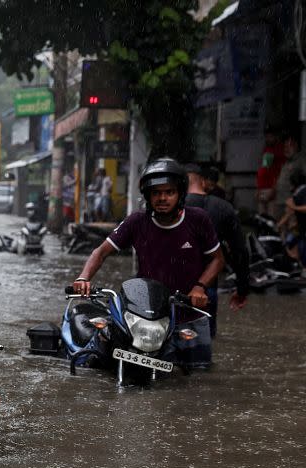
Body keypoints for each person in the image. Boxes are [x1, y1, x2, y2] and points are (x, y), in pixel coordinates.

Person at [72, 157, 225, 368]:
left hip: (189, 315)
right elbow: (100, 253)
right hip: (147, 318)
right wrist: (83, 278)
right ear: (148, 196)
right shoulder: (137, 221)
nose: (162, 198)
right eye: (156, 193)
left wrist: (200, 288)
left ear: (180, 193)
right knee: (128, 370)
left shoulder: (198, 220)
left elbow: (217, 260)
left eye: (169, 192)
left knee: (198, 378)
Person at [184, 164, 250, 337]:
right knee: (205, 343)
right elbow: (240, 251)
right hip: (207, 287)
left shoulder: (168, 208)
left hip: (172, 287)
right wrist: (242, 289)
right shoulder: (223, 208)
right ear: (204, 182)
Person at [274, 133, 306, 219]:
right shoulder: (286, 163)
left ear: (296, 146)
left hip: (291, 202)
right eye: (285, 147)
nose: (286, 149)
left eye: (289, 146)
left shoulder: (301, 160)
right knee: (278, 227)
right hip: (280, 200)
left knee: (290, 228)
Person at [256, 128, 285, 216]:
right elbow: (262, 169)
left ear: (276, 137)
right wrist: (258, 188)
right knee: (262, 217)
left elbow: (280, 172)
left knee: (271, 217)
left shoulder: (280, 150)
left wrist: (274, 188)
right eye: (267, 137)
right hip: (262, 187)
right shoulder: (266, 149)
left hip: (272, 187)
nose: (268, 139)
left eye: (271, 137)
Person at [282, 169, 306, 266]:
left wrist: (293, 206)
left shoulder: (303, 191)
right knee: (290, 242)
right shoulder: (298, 193)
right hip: (301, 229)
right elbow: (290, 212)